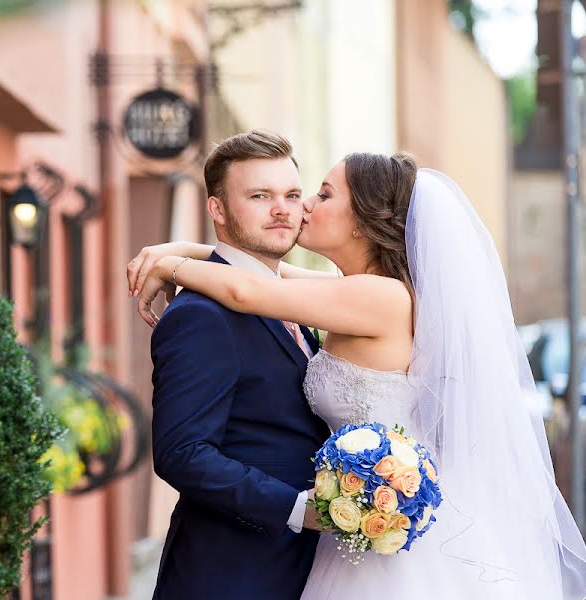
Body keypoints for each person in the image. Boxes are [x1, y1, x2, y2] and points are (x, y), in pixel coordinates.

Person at [129, 151, 586, 599]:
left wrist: (170, 265)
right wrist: (183, 250)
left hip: (387, 537)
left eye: (321, 195)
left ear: (361, 221)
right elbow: (272, 275)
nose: (303, 205)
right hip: (346, 531)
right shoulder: (355, 292)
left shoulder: (379, 298)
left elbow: (246, 290)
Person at [137, 130, 330, 599]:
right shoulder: (200, 317)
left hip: (303, 568)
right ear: (218, 209)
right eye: (260, 196)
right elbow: (182, 454)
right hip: (230, 573)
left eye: (290, 195)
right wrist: (297, 509)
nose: (282, 210)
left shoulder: (292, 300)